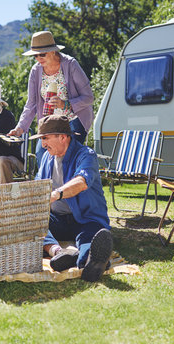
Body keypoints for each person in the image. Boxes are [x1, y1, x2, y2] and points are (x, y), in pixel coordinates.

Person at [32, 114, 113, 282]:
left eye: (45, 138)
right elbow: (38, 186)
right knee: (31, 223)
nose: (42, 144)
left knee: (89, 238)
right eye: (41, 139)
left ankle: (90, 261)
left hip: (86, 217)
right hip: (57, 219)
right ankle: (59, 253)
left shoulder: (86, 154)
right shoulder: (47, 157)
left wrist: (56, 193)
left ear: (63, 137)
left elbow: (82, 181)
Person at [7, 30, 94, 165]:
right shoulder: (36, 71)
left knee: (67, 155)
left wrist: (65, 104)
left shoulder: (71, 64)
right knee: (42, 153)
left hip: (74, 119)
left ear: (53, 51)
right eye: (35, 55)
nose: (38, 59)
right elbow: (31, 105)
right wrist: (20, 128)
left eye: (42, 54)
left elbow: (89, 97)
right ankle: (50, 185)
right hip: (50, 122)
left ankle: (67, 185)